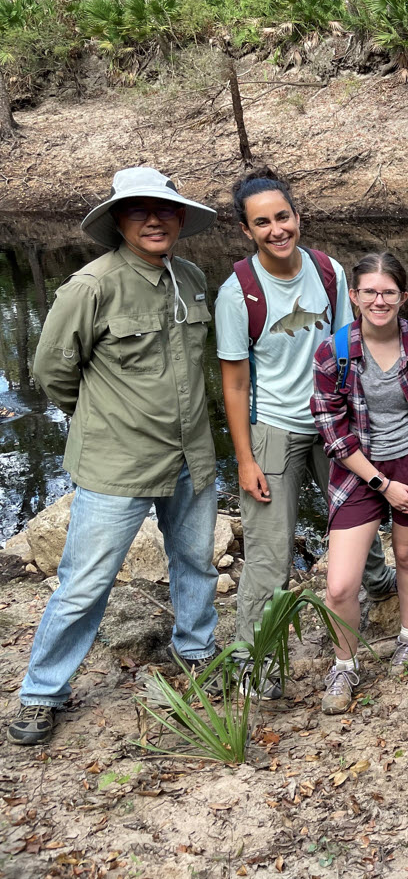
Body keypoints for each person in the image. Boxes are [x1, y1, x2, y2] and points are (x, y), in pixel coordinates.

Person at [8, 167, 219, 745]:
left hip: (190, 455)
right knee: (85, 583)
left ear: (180, 218)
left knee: (197, 561)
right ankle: (41, 693)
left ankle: (197, 653)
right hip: (116, 465)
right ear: (117, 222)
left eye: (165, 210)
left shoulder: (193, 278)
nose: (154, 220)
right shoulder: (89, 286)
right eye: (138, 211)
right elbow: (51, 370)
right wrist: (102, 418)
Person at [215, 170, 398, 699]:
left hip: (334, 421)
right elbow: (234, 382)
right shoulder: (238, 294)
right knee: (270, 555)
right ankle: (255, 662)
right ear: (247, 230)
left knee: (360, 513)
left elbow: (347, 344)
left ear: (298, 216)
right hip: (276, 428)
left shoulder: (328, 271)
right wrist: (245, 458)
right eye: (262, 222)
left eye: (283, 216)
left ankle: (379, 580)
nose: (277, 229)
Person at [309, 253, 408, 713]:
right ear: (354, 296)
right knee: (340, 585)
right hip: (358, 468)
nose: (379, 300)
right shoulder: (334, 352)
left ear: (403, 297)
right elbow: (331, 426)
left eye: (389, 292)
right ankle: (344, 665)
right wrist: (380, 482)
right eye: (369, 291)